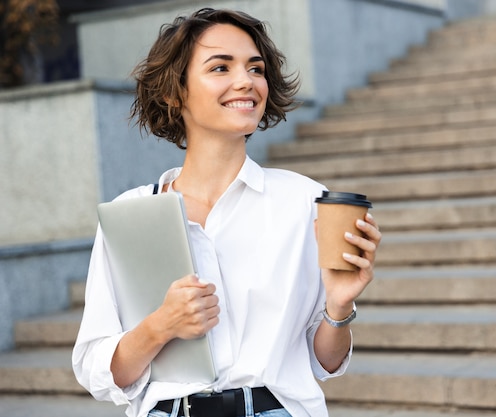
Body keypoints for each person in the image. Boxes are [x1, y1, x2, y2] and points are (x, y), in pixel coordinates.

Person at [72, 8, 381, 417]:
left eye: (256, 68)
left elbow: (323, 361)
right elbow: (99, 370)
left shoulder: (305, 201)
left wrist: (339, 308)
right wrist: (160, 325)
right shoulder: (129, 215)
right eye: (221, 67)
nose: (246, 81)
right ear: (173, 93)